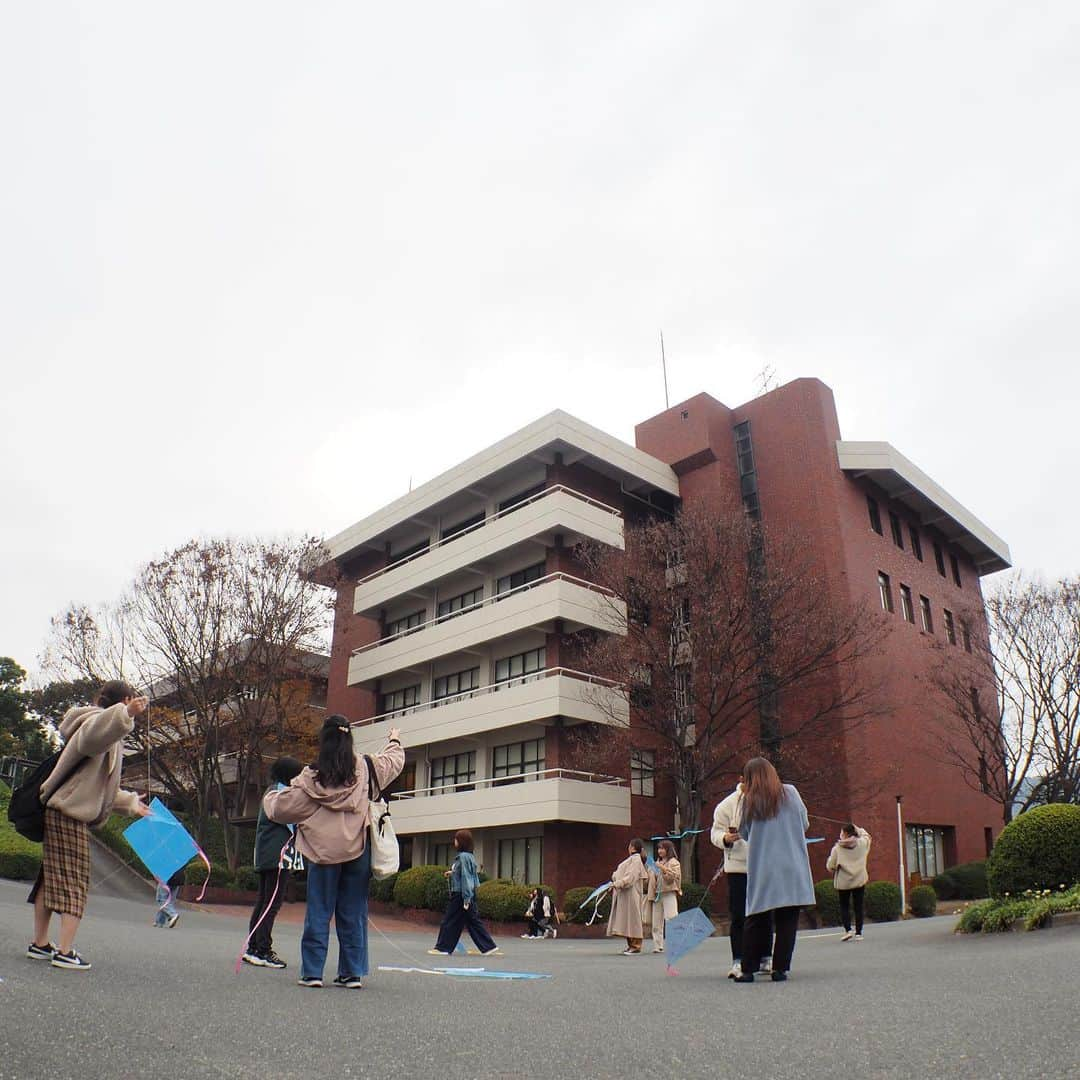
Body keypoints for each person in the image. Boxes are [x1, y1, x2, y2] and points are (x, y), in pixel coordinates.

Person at [264, 717, 403, 989]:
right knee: (353, 912)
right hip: (357, 851)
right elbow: (394, 762)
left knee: (318, 910)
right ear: (349, 739)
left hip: (322, 854)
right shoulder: (366, 769)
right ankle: (351, 973)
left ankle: (313, 972)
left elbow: (280, 809)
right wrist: (394, 739)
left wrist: (269, 797)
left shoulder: (311, 779)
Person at [27, 680, 153, 971]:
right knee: (75, 882)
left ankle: (41, 943)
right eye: (129, 702)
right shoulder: (96, 723)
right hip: (69, 811)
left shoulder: (101, 727)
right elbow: (94, 738)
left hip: (65, 808)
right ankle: (65, 951)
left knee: (51, 878)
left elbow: (98, 786)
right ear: (124, 700)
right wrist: (126, 715)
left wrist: (131, 803)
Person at [732, 757, 815, 984]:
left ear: (749, 779)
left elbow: (745, 834)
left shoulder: (747, 801)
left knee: (756, 916)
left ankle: (747, 969)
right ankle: (780, 969)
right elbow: (804, 823)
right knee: (788, 919)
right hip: (792, 864)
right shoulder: (791, 792)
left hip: (764, 866)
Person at [243, 756, 304, 968]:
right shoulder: (279, 795)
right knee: (271, 904)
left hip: (268, 856)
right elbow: (294, 818)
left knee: (263, 902)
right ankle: (263, 950)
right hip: (277, 858)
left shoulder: (272, 791)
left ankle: (253, 948)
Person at [711, 778, 774, 978]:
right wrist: (724, 839)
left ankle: (766, 957)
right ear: (742, 780)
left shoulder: (767, 801)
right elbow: (715, 832)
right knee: (739, 916)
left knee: (765, 913)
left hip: (763, 865)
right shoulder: (727, 805)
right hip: (737, 867)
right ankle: (738, 960)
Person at [429, 829, 502, 957]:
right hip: (467, 894)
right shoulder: (469, 856)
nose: (454, 842)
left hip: (461, 894)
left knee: (449, 921)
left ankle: (443, 948)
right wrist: (452, 873)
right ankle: (489, 947)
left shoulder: (462, 857)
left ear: (461, 841)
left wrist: (466, 899)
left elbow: (467, 878)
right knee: (472, 921)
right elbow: (469, 875)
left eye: (456, 839)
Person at [826, 823, 872, 942]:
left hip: (843, 881)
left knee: (844, 906)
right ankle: (859, 933)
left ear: (845, 834)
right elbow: (866, 835)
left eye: (842, 833)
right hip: (859, 879)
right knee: (858, 906)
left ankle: (848, 930)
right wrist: (858, 828)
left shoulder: (837, 848)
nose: (840, 835)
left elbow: (830, 866)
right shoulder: (862, 844)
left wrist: (832, 864)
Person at [606, 837, 649, 955]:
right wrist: (616, 881)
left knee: (633, 919)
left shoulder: (635, 860)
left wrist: (618, 883)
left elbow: (630, 877)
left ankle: (635, 945)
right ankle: (631, 945)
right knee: (628, 919)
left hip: (631, 894)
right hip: (626, 894)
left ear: (632, 847)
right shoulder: (633, 860)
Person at [646, 840, 682, 953]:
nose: (659, 851)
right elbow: (650, 880)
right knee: (656, 922)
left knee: (671, 919)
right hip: (657, 894)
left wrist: (662, 868)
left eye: (662, 848)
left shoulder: (674, 862)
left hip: (669, 892)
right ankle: (658, 946)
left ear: (668, 849)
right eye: (658, 848)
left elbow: (672, 878)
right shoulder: (656, 862)